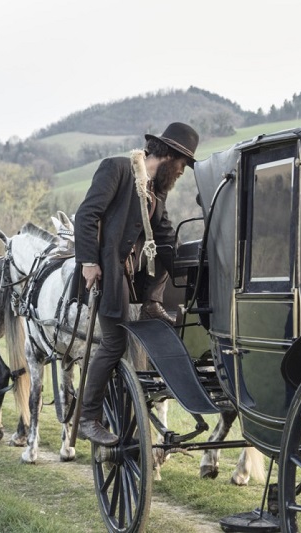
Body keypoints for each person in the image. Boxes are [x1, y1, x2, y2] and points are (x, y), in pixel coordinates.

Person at [74, 122, 199, 445]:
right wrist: (89, 262)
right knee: (114, 343)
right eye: (183, 163)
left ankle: (152, 303)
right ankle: (88, 417)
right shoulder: (116, 168)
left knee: (166, 252)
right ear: (169, 155)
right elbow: (86, 215)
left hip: (134, 276)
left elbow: (166, 237)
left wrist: (192, 271)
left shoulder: (156, 191)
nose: (183, 171)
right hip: (107, 272)